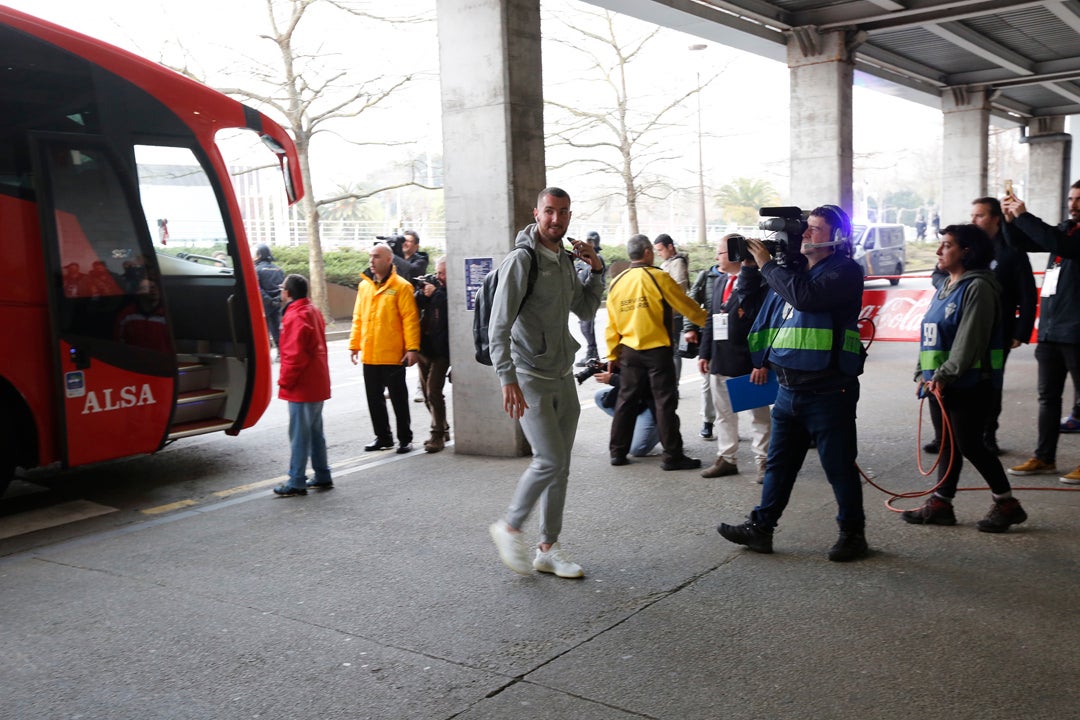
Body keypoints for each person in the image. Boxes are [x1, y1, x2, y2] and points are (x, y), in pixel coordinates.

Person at [717, 205, 870, 562]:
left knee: (838, 467)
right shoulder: (796, 271)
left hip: (830, 389)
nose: (804, 234)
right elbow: (755, 310)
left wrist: (770, 264)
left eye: (815, 229)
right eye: (805, 228)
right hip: (789, 388)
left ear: (837, 237)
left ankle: (853, 534)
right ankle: (761, 528)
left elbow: (806, 298)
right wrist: (754, 269)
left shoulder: (844, 271)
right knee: (779, 464)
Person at [487, 187, 604, 579]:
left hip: (562, 375)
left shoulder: (566, 261)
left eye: (564, 212)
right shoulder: (522, 261)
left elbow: (585, 309)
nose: (557, 219)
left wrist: (596, 270)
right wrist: (507, 379)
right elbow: (498, 326)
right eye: (550, 212)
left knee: (562, 467)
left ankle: (547, 549)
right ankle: (509, 527)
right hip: (528, 375)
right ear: (536, 213)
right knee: (549, 460)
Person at [900, 224, 1027, 530]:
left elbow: (969, 339)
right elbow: (932, 336)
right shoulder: (946, 286)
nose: (938, 251)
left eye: (946, 245)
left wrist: (945, 374)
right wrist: (923, 372)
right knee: (947, 444)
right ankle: (941, 504)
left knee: (969, 443)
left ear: (966, 251)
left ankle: (1007, 504)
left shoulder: (978, 287)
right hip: (939, 382)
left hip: (968, 383)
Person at [923, 197, 1037, 455]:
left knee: (988, 382)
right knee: (941, 377)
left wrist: (1021, 331)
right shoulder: (957, 248)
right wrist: (955, 284)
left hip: (997, 329)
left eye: (980, 215)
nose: (974, 220)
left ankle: (987, 434)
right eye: (972, 215)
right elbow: (939, 274)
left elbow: (1026, 293)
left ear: (996, 218)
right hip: (952, 324)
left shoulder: (1011, 249)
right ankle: (944, 435)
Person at [605, 234, 707, 471]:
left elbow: (611, 324)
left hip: (629, 351)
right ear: (648, 252)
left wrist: (612, 355)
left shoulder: (617, 282)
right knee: (664, 402)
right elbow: (685, 305)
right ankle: (672, 456)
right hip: (657, 351)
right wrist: (709, 322)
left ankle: (617, 452)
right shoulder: (659, 277)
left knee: (626, 400)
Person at [1002, 180, 1080, 484]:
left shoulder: (1070, 237)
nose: (1073, 204)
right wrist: (1011, 222)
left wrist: (1024, 215)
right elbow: (1022, 243)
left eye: (1079, 200)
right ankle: (1045, 458)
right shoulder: (1066, 228)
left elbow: (1061, 246)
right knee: (1048, 397)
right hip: (1050, 329)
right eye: (1071, 198)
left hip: (1076, 331)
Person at [697, 235, 771, 482]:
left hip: (748, 363)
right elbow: (710, 318)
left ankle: (763, 461)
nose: (717, 257)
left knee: (758, 415)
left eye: (720, 252)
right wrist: (705, 353)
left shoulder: (759, 283)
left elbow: (765, 324)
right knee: (723, 414)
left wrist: (761, 362)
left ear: (734, 254)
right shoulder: (718, 281)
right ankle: (727, 458)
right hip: (721, 359)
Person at [349, 243, 421, 454]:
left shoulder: (402, 287)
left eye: (377, 256)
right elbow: (358, 318)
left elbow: (410, 320)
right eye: (370, 256)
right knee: (374, 399)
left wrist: (412, 348)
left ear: (389, 260)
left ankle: (404, 439)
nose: (372, 260)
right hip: (370, 354)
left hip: (393, 355)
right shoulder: (364, 286)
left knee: (398, 399)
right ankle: (383, 437)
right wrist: (354, 345)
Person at [272, 274, 333, 497]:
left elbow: (293, 355)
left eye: (282, 289)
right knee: (315, 431)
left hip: (302, 385)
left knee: (299, 434)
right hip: (316, 382)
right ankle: (322, 474)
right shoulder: (312, 311)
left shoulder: (294, 316)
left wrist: (284, 382)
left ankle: (297, 480)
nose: (281, 292)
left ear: (288, 292)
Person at [685, 244, 722, 440]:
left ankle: (732, 421)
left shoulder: (747, 276)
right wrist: (689, 327)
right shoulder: (706, 276)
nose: (718, 256)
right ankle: (708, 421)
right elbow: (690, 302)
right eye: (718, 252)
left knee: (739, 381)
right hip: (710, 334)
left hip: (738, 339)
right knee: (708, 380)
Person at [414, 256, 450, 452]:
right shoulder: (433, 286)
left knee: (433, 390)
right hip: (425, 348)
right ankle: (442, 427)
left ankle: (437, 435)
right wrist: (422, 291)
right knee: (427, 394)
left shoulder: (448, 292)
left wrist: (435, 293)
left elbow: (447, 308)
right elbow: (416, 303)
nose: (439, 277)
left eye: (443, 273)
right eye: (437, 273)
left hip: (441, 351)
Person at [593, 367, 659, 458]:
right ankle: (634, 425)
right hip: (635, 399)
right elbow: (628, 370)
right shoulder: (629, 354)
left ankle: (664, 428)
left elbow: (644, 383)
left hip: (651, 402)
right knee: (599, 396)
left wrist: (613, 379)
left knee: (637, 450)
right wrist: (605, 367)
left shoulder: (653, 355)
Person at [653, 233, 691, 384]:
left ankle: (674, 383)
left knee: (675, 350)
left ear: (670, 247)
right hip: (666, 311)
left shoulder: (678, 263)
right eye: (657, 250)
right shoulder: (667, 263)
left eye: (661, 250)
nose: (659, 253)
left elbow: (680, 287)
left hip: (676, 312)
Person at [114, 277, 170, 352]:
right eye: (147, 287)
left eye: (156, 287)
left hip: (161, 360)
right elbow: (118, 341)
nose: (154, 290)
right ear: (138, 292)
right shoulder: (127, 315)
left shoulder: (167, 315)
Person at [574, 230, 604, 366]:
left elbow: (597, 277)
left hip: (590, 296)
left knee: (588, 326)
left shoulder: (597, 258)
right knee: (583, 326)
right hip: (580, 296)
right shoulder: (581, 259)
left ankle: (593, 353)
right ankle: (592, 352)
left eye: (591, 241)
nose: (588, 243)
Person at [254, 243, 285, 357]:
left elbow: (257, 288)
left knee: (263, 331)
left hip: (263, 305)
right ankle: (280, 352)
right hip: (276, 304)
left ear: (259, 255)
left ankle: (266, 354)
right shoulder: (278, 269)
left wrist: (268, 300)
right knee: (276, 328)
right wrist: (276, 300)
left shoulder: (256, 270)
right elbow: (282, 287)